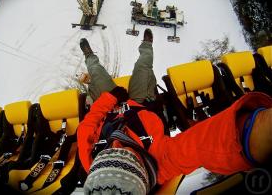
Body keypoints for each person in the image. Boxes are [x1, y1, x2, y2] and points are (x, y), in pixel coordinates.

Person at [77, 29, 272, 194]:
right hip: (142, 104)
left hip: (111, 107)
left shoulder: (89, 158)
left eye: (110, 152)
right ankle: (147, 46)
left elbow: (87, 125)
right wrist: (255, 131)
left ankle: (89, 57)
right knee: (143, 67)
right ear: (142, 166)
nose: (119, 147)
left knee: (96, 74)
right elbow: (210, 143)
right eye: (129, 155)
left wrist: (111, 98)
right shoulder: (163, 159)